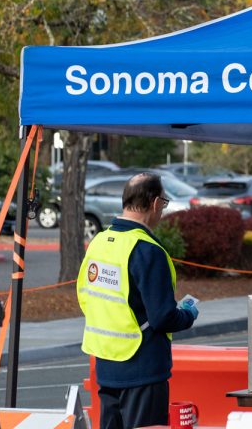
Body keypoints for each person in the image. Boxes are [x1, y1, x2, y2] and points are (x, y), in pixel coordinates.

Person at [78, 173, 198, 429]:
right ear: (155, 204)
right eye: (164, 204)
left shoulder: (98, 243)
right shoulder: (148, 250)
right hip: (142, 371)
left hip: (107, 367)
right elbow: (163, 317)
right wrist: (189, 314)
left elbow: (86, 298)